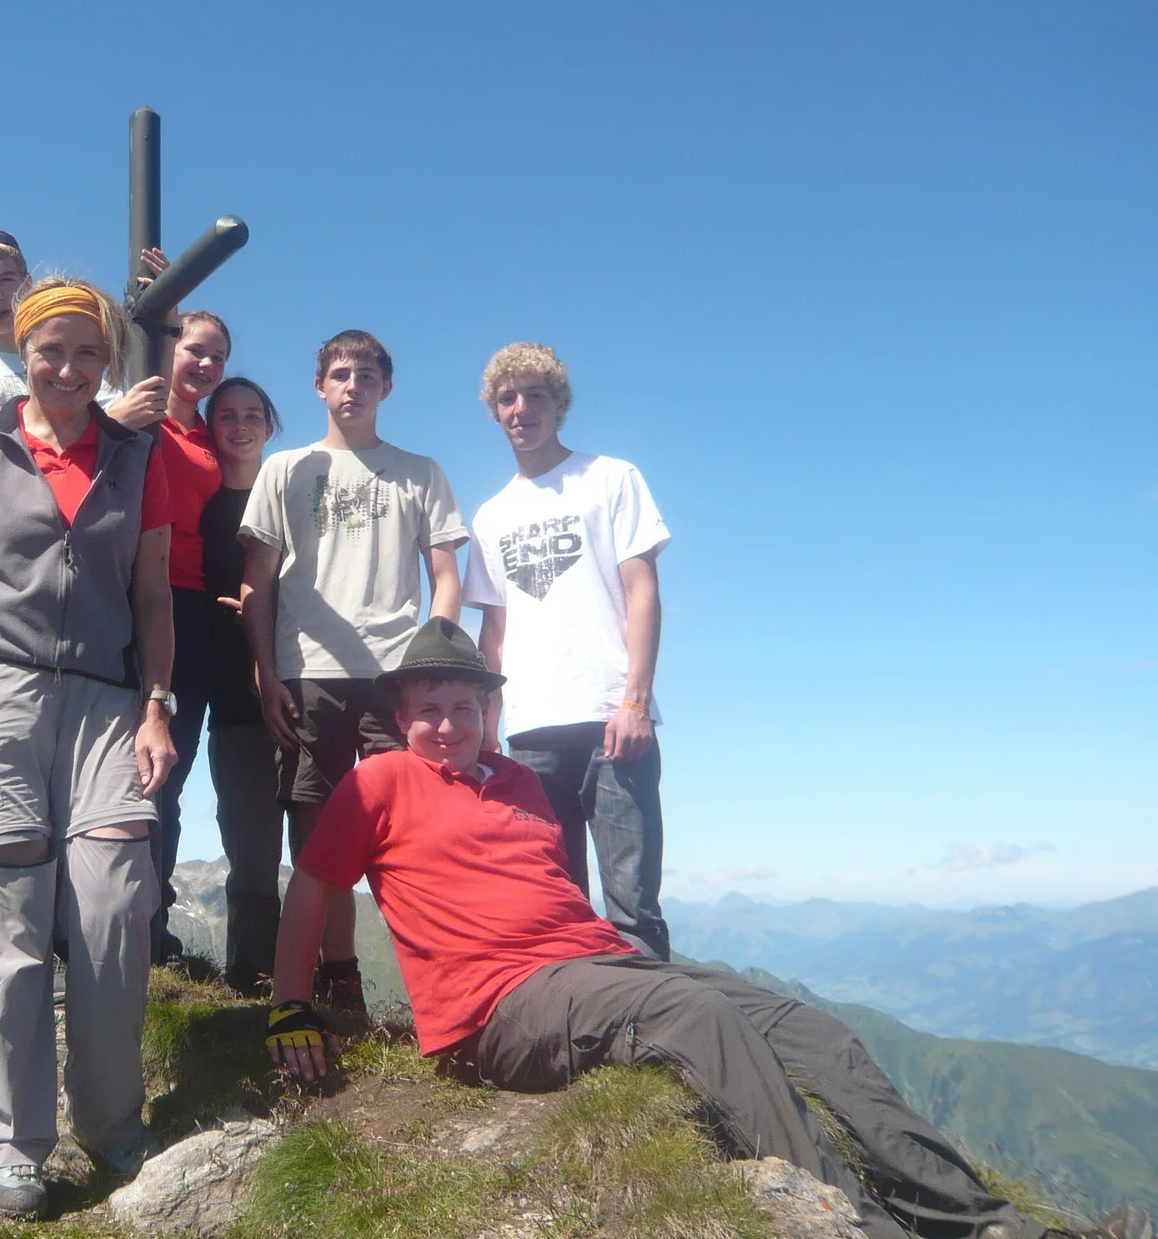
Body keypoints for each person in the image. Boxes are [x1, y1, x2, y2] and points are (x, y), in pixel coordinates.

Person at [263, 618, 1146, 1239]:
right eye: (429, 707)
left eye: (464, 705)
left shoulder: (521, 783)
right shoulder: (378, 783)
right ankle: (865, 1230)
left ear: (488, 709)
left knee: (812, 1029)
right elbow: (311, 888)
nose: (448, 724)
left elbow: (551, 894)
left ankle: (985, 1221)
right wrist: (291, 1005)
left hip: (600, 964)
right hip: (499, 1009)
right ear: (403, 713)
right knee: (700, 1022)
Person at [0, 277, 178, 1217]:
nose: (67, 367)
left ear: (107, 361)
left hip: (107, 696)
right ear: (22, 354)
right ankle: (13, 1139)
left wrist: (158, 706)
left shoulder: (139, 456)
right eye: (49, 350)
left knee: (113, 902)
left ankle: (111, 1123)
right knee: (12, 919)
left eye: (86, 351)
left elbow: (152, 597)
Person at [238, 328, 468, 1011]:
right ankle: (337, 984)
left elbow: (446, 576)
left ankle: (447, 988)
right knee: (318, 842)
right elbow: (258, 581)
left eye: (366, 375)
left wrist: (436, 664)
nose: (352, 386)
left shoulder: (419, 471)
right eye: (339, 374)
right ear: (319, 386)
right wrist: (265, 671)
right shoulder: (285, 469)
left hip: (394, 678)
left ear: (386, 387)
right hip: (306, 674)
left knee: (415, 833)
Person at [464, 342, 672, 959]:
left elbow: (643, 592)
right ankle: (587, 1047)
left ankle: (652, 1048)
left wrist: (635, 701)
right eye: (508, 398)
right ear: (495, 411)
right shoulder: (490, 515)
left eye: (535, 396)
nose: (521, 408)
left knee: (633, 907)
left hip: (614, 720)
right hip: (530, 730)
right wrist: (486, 728)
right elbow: (493, 632)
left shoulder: (611, 478)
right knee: (558, 903)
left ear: (560, 406)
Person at [198, 375, 287, 995]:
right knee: (251, 854)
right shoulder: (198, 508)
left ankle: (312, 981)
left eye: (252, 413)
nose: (239, 425)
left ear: (270, 424)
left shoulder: (291, 497)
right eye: (225, 415)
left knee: (318, 851)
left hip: (301, 688)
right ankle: (252, 982)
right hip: (231, 699)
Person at [148, 309, 232, 962]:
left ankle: (151, 921)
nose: (205, 365)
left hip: (193, 606)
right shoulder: (135, 407)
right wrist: (151, 300)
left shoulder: (211, 436)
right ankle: (85, 922)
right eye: (194, 350)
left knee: (171, 769)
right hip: (130, 599)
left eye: (217, 357)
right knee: (115, 765)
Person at [0, 228, 169, 434]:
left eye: (6, 280)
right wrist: (111, 423)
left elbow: (147, 406)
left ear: (27, 283)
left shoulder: (71, 358)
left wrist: (169, 309)